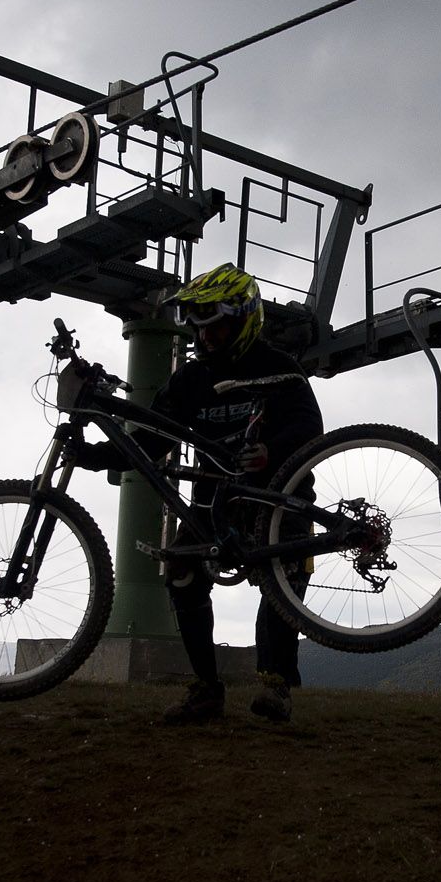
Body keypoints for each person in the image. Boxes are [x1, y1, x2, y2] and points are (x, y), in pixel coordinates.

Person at [75, 263, 323, 724]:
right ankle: (205, 689)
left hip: (278, 498)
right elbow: (152, 441)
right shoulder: (189, 380)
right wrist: (98, 456)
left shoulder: (279, 368)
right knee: (181, 568)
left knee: (280, 578)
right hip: (215, 503)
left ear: (246, 318)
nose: (207, 339)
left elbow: (312, 429)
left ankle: (275, 686)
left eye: (218, 328)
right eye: (199, 331)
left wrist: (271, 450)